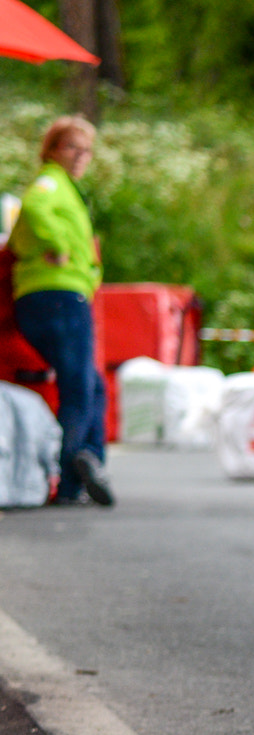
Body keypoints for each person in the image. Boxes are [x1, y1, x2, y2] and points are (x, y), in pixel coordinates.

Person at [9, 116, 111, 507]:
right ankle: (72, 473)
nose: (80, 156)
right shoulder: (50, 183)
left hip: (57, 294)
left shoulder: (67, 189)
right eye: (72, 147)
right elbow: (33, 208)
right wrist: (57, 243)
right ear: (51, 149)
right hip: (58, 296)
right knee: (79, 387)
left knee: (90, 385)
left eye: (86, 150)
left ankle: (89, 462)